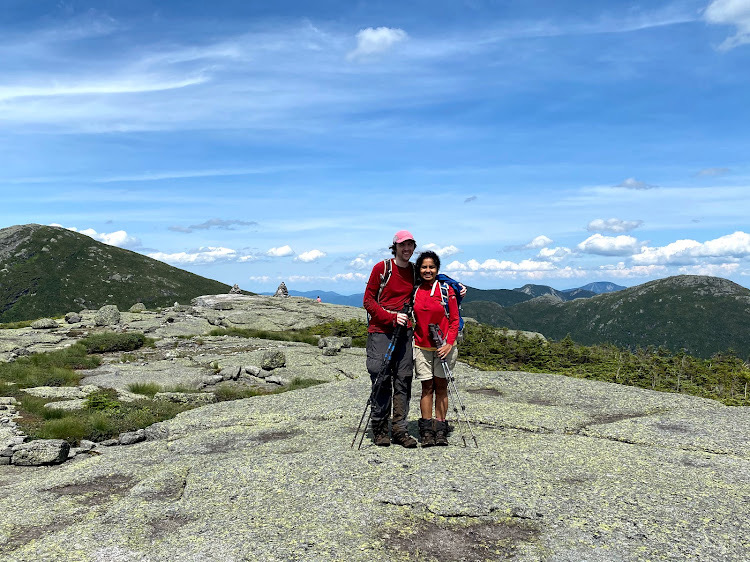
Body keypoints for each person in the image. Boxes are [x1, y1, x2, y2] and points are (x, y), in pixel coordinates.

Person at [362, 230, 419, 448]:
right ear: (394, 247)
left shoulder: (414, 271)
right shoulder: (382, 268)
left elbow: (433, 278)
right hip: (381, 331)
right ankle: (379, 428)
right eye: (402, 245)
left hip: (405, 332)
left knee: (403, 379)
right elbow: (368, 300)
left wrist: (456, 289)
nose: (406, 249)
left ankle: (399, 429)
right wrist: (391, 317)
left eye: (410, 245)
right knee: (381, 377)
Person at [412, 250, 460, 446]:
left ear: (437, 269)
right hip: (421, 346)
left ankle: (440, 428)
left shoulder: (446, 291)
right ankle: (426, 431)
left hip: (444, 347)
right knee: (426, 388)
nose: (428, 270)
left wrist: (448, 343)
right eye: (424, 267)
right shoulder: (414, 290)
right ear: (419, 269)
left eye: (431, 267)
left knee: (441, 388)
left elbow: (454, 320)